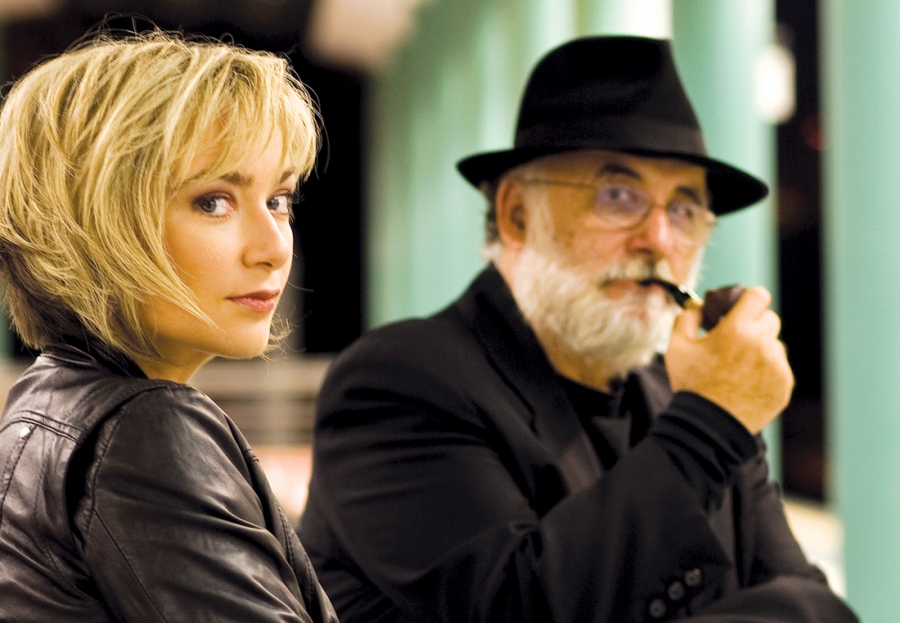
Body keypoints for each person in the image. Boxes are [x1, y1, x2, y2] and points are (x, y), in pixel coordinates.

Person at [299, 36, 858, 622]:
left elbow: (812, 606)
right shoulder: (397, 382)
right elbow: (517, 609)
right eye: (618, 196)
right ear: (517, 215)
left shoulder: (681, 391)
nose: (660, 240)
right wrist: (714, 420)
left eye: (684, 209)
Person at [0, 31, 337, 622]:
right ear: (96, 220)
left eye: (279, 199)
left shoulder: (43, 403)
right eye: (214, 201)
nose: (273, 247)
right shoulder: (142, 432)